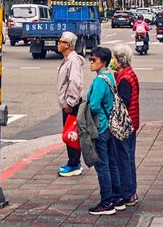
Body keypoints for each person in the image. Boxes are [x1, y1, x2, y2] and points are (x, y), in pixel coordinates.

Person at [84, 46, 120, 215]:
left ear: (103, 62)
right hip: (110, 126)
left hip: (101, 127)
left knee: (102, 165)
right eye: (90, 59)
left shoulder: (99, 81)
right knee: (112, 163)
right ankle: (117, 198)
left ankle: (107, 203)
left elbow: (94, 105)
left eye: (94, 60)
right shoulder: (109, 77)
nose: (90, 63)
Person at [110, 43, 140, 208]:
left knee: (124, 159)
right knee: (127, 157)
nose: (111, 61)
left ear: (119, 60)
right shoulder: (126, 74)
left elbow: (124, 103)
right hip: (131, 123)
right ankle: (130, 192)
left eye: (113, 58)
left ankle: (128, 193)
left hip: (125, 126)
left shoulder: (124, 78)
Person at [56, 31, 86, 177]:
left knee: (71, 133)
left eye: (61, 41)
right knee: (70, 132)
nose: (58, 43)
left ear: (67, 45)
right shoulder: (68, 59)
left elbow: (75, 82)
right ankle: (72, 162)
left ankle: (74, 164)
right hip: (69, 103)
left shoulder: (73, 60)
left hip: (71, 104)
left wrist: (69, 102)